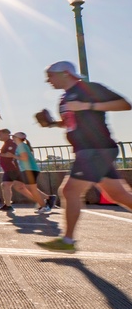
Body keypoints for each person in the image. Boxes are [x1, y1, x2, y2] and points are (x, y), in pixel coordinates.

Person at [35, 61, 132, 251]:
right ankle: (68, 241)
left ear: (65, 73)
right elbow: (72, 122)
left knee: (70, 191)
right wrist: (53, 124)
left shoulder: (89, 88)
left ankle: (68, 241)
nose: (48, 81)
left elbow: (125, 104)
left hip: (95, 148)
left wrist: (88, 104)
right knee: (118, 194)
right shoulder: (64, 99)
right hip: (88, 149)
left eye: (51, 76)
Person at [12, 132, 51, 213]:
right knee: (17, 185)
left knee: (32, 189)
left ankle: (44, 206)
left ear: (17, 138)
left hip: (29, 169)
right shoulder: (21, 146)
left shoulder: (22, 146)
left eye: (13, 136)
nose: (12, 138)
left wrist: (12, 156)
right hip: (26, 170)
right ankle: (44, 200)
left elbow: (24, 158)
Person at [0, 128, 27, 212]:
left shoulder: (11, 143)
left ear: (6, 134)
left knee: (24, 187)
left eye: (0, 134)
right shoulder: (7, 143)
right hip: (8, 169)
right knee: (5, 185)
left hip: (13, 169)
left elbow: (10, 155)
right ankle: (8, 205)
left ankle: (47, 199)